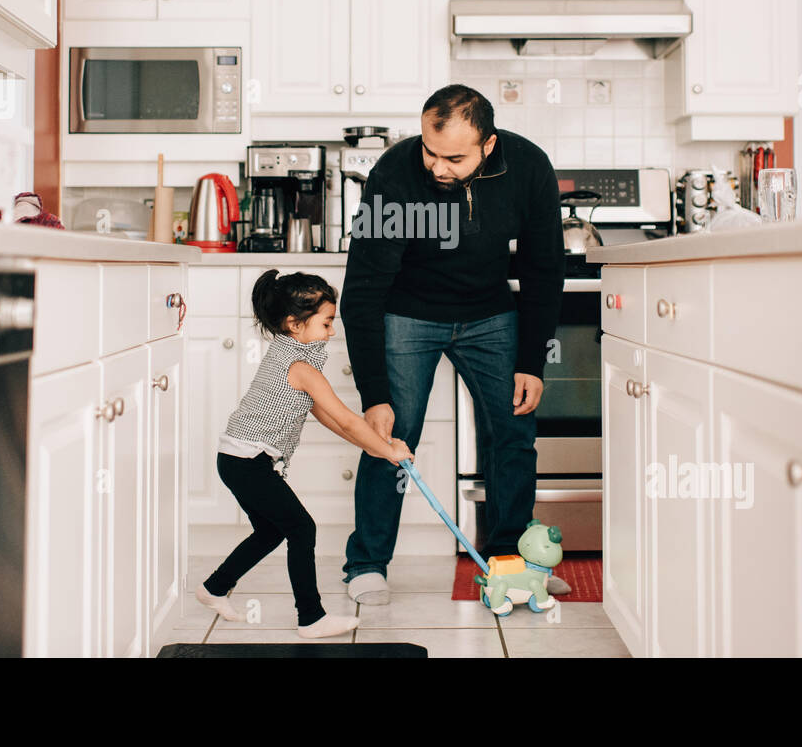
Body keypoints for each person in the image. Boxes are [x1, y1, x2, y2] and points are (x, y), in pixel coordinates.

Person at [340, 84, 566, 605]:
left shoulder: (528, 167)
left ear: (488, 145)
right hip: (408, 312)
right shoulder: (395, 172)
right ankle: (367, 563)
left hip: (491, 314)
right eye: (429, 150)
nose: (438, 168)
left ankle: (512, 564)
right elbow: (364, 287)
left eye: (454, 158)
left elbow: (543, 269)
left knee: (512, 434)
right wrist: (374, 394)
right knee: (391, 432)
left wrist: (531, 360)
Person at [196, 270, 414, 637]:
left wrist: (375, 448)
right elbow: (345, 418)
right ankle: (311, 618)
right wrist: (387, 450)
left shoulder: (291, 353)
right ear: (295, 324)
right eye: (327, 323)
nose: (331, 332)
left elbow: (324, 415)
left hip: (238, 460)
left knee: (270, 531)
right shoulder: (300, 366)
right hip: (248, 463)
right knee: (301, 528)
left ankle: (214, 588)